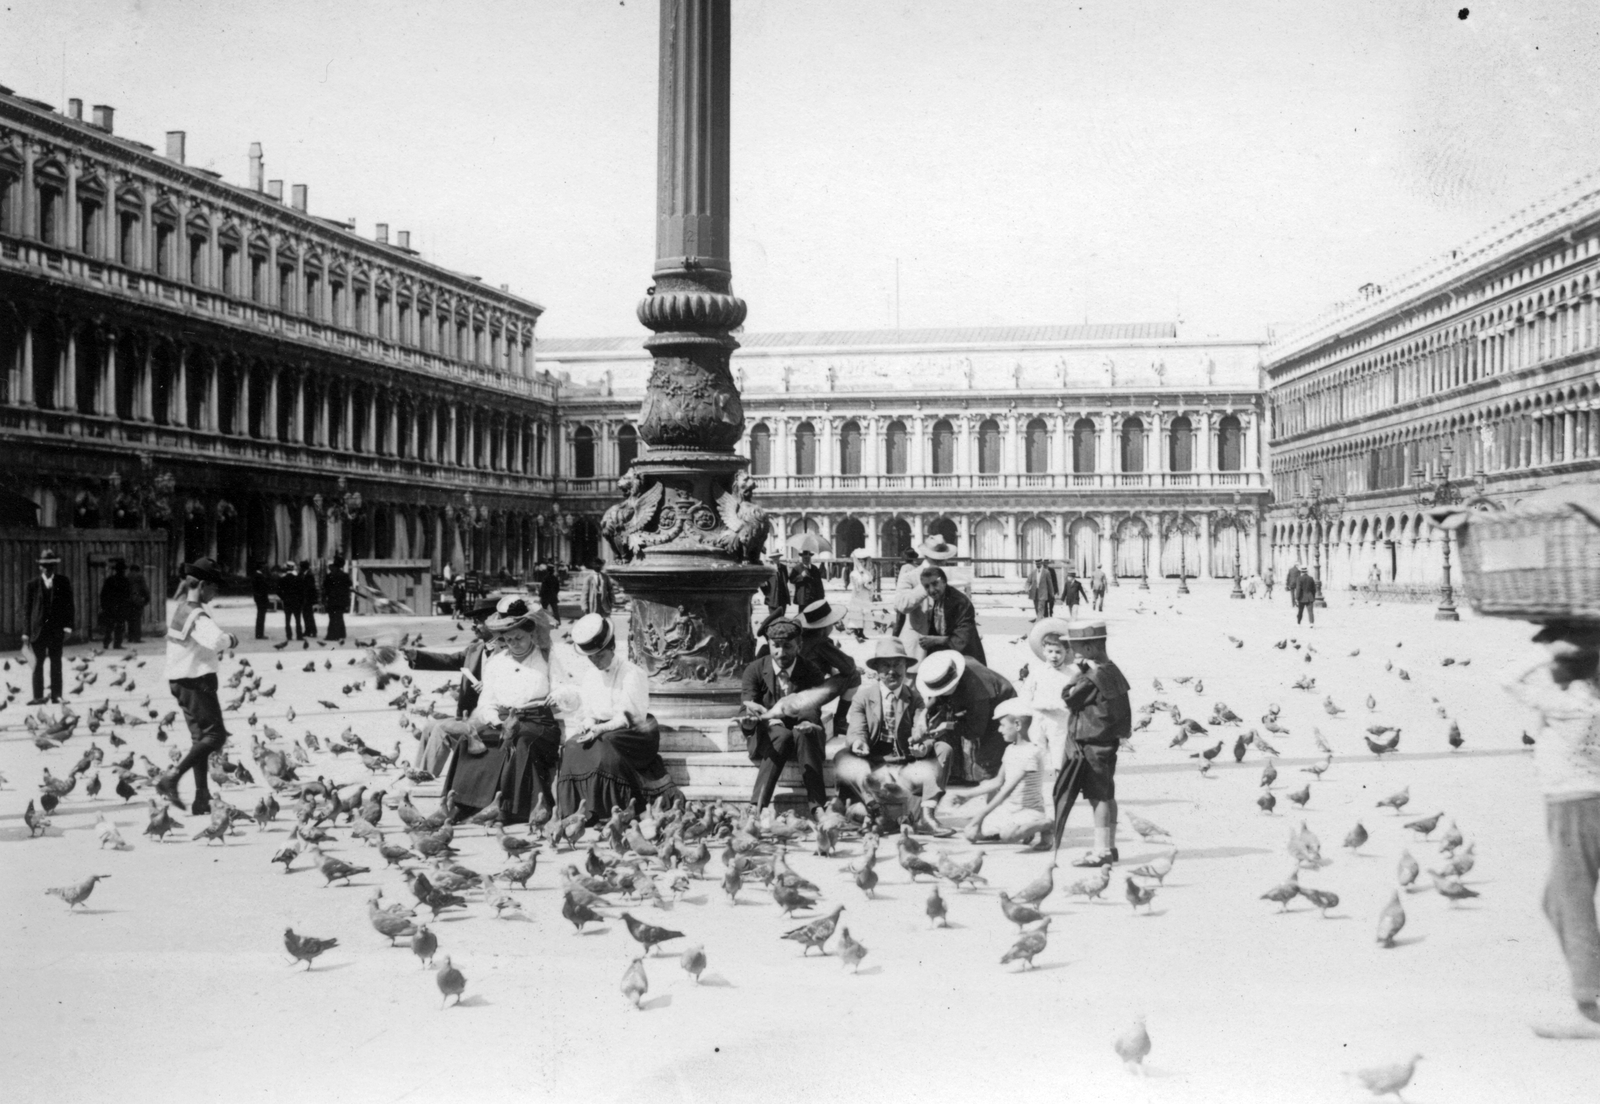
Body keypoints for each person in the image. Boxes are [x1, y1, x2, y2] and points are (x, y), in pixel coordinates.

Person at [1504, 622, 1600, 1036]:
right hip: (1586, 801)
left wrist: (1552, 649)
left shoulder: (1570, 703)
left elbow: (1507, 678)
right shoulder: (1586, 697)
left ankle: (1587, 1004)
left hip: (1572, 805)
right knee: (1556, 898)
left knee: (1569, 899)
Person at [440, 596, 563, 822]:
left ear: (532, 634)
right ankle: (463, 804)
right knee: (471, 739)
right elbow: (487, 701)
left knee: (519, 741)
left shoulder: (547, 657)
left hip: (538, 722)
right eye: (509, 639)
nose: (514, 643)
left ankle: (510, 808)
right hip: (503, 720)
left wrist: (558, 696)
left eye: (519, 638)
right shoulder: (497, 662)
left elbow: (565, 690)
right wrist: (496, 721)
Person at [556, 613, 678, 822]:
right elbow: (588, 710)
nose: (595, 661)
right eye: (591, 657)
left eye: (599, 656)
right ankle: (580, 812)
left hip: (635, 731)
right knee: (573, 745)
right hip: (603, 728)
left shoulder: (632, 673)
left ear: (611, 648)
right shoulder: (591, 676)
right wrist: (588, 724)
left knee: (606, 745)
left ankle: (607, 809)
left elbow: (628, 716)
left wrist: (600, 729)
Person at [832, 638, 953, 835]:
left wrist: (921, 744)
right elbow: (856, 729)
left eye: (898, 665)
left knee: (943, 749)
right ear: (877, 670)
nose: (892, 671)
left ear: (906, 667)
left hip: (906, 765)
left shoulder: (914, 698)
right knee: (842, 756)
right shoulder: (863, 697)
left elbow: (920, 727)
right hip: (872, 763)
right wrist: (858, 742)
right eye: (886, 665)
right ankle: (871, 806)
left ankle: (927, 816)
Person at [156, 559, 238, 816]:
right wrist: (232, 639)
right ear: (202, 585)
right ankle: (172, 778)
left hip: (181, 681)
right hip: (196, 682)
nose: (216, 593)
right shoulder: (197, 614)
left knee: (200, 738)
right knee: (216, 737)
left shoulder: (183, 608)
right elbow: (216, 640)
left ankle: (201, 797)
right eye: (214, 588)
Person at [740, 618, 840, 815]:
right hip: (770, 735)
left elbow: (812, 706)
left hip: (803, 733)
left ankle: (817, 807)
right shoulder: (755, 669)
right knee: (782, 735)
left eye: (788, 646)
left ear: (799, 646)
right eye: (775, 646)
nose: (781, 653)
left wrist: (806, 722)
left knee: (804, 733)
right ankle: (757, 807)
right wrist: (750, 720)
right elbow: (747, 704)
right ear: (768, 644)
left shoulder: (811, 670)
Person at [1051, 620, 1131, 867]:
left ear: (1089, 649)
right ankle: (1110, 846)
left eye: (1075, 648)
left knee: (1098, 798)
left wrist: (1078, 673)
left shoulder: (1090, 677)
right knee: (1108, 794)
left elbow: (1068, 697)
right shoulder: (1112, 669)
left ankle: (1100, 851)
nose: (1072, 653)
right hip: (1108, 741)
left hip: (1091, 743)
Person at [405, 597, 500, 775]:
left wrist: (491, 687)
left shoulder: (509, 649)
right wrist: (415, 655)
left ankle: (426, 777)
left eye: (478, 622)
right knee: (428, 727)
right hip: (470, 717)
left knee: (442, 729)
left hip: (492, 719)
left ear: (494, 622)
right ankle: (419, 777)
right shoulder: (475, 649)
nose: (473, 626)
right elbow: (448, 661)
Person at [948, 699, 1053, 848]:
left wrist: (980, 815)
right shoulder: (1010, 749)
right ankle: (1023, 830)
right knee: (971, 834)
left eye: (1003, 725)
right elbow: (998, 781)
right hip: (1009, 810)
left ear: (1017, 725)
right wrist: (967, 795)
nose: (999, 730)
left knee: (1007, 836)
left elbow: (1005, 791)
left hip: (1029, 811)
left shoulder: (1031, 752)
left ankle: (1046, 825)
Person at [915, 649, 1016, 784]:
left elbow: (975, 730)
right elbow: (939, 695)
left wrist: (948, 726)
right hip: (978, 701)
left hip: (1000, 706)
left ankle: (992, 785)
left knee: (989, 756)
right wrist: (924, 712)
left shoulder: (976, 692)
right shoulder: (949, 670)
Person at [794, 598, 863, 738]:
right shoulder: (820, 642)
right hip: (808, 696)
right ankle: (840, 721)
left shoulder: (802, 638)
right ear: (825, 626)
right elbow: (849, 667)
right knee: (854, 676)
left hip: (794, 692)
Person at [1024, 617, 1075, 797]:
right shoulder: (1037, 672)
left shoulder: (1070, 675)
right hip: (1038, 717)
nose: (1054, 656)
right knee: (1035, 752)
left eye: (1058, 652)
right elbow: (1027, 693)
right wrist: (1030, 708)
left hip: (1059, 720)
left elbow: (1073, 699)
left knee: (1059, 754)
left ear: (1066, 652)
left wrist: (1064, 708)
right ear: (1044, 652)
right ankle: (1033, 789)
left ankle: (1060, 790)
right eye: (1050, 651)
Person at [891, 566, 986, 664]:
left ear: (944, 581)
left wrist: (936, 640)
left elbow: (962, 639)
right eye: (927, 586)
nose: (931, 590)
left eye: (935, 584)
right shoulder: (935, 600)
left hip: (966, 658)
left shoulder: (960, 602)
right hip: (945, 656)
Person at [23, 548, 75, 704]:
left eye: (51, 565)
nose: (48, 568)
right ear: (40, 566)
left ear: (55, 566)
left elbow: (69, 606)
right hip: (38, 631)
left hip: (56, 630)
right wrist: (26, 632)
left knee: (56, 663)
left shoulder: (63, 582)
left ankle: (56, 695)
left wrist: (68, 627)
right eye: (45, 565)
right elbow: (27, 610)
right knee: (37, 664)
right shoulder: (32, 585)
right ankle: (38, 696)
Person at [99, 558, 132, 649]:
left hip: (110, 606)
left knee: (109, 626)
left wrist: (104, 605)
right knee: (120, 626)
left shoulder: (110, 580)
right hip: (121, 607)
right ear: (123, 570)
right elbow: (128, 595)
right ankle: (117, 644)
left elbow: (103, 594)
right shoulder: (125, 581)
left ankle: (106, 642)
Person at [843, 549, 874, 642]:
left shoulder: (867, 573)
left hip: (865, 595)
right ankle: (857, 631)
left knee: (864, 613)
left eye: (863, 562)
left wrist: (868, 585)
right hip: (857, 596)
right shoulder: (853, 574)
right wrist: (860, 583)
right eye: (859, 562)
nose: (862, 564)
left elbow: (871, 584)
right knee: (857, 614)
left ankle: (861, 632)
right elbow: (855, 586)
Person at [323, 556, 351, 641]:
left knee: (333, 617)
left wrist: (324, 598)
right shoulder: (345, 575)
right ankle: (341, 634)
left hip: (332, 599)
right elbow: (349, 585)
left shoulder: (330, 576)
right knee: (339, 616)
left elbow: (325, 587)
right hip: (342, 600)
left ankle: (332, 635)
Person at [125, 562, 150, 642]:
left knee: (130, 619)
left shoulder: (127, 576)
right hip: (137, 600)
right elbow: (144, 588)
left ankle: (130, 637)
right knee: (137, 619)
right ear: (138, 569)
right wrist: (147, 599)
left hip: (128, 600)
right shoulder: (140, 576)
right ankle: (137, 638)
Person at [278, 563, 303, 640]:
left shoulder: (283, 579)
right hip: (296, 602)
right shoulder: (297, 578)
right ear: (293, 568)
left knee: (287, 620)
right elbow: (301, 591)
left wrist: (283, 597)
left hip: (287, 601)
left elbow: (278, 590)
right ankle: (299, 635)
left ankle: (289, 635)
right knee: (298, 620)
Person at [250, 563, 274, 640]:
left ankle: (259, 633)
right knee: (261, 617)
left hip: (258, 598)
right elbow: (264, 588)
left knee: (260, 616)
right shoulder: (260, 576)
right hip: (261, 599)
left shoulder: (256, 575)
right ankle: (260, 634)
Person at [297, 560, 320, 639]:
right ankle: (307, 630)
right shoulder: (301, 574)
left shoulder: (309, 575)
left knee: (309, 615)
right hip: (302, 598)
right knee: (305, 615)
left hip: (308, 599)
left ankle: (313, 631)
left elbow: (311, 588)